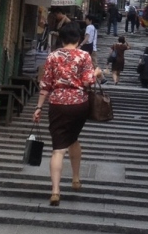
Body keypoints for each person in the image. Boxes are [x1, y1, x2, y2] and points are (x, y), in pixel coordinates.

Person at [33, 21, 99, 205]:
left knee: (58, 149)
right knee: (73, 139)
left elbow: (45, 84)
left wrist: (38, 107)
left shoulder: (52, 57)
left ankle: (55, 191)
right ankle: (76, 178)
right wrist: (97, 73)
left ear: (61, 39)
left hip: (57, 104)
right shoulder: (84, 56)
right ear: (78, 39)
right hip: (79, 104)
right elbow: (88, 81)